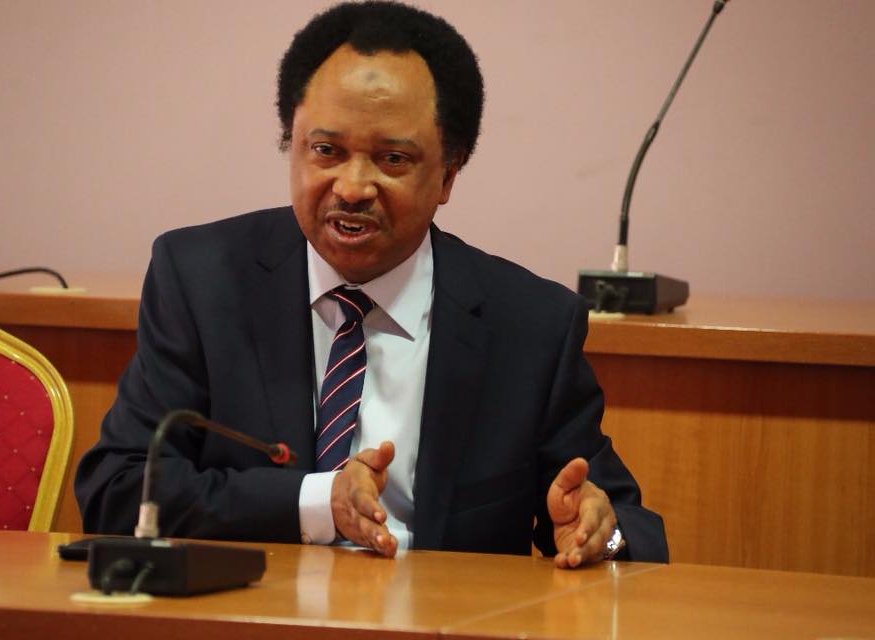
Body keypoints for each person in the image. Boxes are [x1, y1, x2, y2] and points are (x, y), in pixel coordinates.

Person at [75, 0, 668, 568]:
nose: (353, 187)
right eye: (326, 150)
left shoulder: (529, 324)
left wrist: (599, 534)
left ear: (449, 174)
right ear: (291, 145)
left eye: (392, 160)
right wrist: (317, 502)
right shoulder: (202, 280)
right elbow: (118, 490)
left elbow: (629, 525)